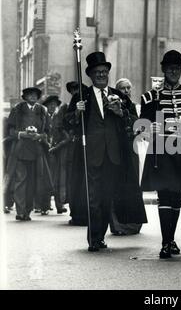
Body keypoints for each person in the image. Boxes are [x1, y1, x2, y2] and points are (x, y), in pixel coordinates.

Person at [64, 52, 147, 251]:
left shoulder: (118, 96)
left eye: (104, 71)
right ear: (90, 75)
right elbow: (67, 123)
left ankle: (99, 236)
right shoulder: (80, 96)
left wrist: (121, 112)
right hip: (91, 154)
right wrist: (77, 111)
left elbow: (136, 122)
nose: (101, 75)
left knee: (107, 197)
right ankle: (94, 239)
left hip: (114, 155)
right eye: (97, 72)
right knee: (93, 197)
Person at [140, 50, 181, 258]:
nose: (174, 71)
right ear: (164, 70)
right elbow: (143, 127)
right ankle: (166, 242)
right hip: (162, 152)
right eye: (170, 68)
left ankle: (170, 239)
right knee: (165, 194)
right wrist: (153, 129)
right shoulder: (151, 98)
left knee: (178, 196)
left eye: (177, 68)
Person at [5, 87, 53, 221]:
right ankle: (20, 211)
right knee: (20, 180)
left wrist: (40, 136)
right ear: (24, 97)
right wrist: (22, 134)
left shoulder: (42, 111)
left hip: (37, 151)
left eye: (35, 95)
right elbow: (10, 131)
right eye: (29, 94)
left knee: (34, 181)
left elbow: (48, 132)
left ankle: (27, 211)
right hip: (20, 150)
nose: (32, 96)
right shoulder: (17, 109)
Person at [108, 77, 143, 236]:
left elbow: (138, 123)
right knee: (116, 186)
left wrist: (125, 115)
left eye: (129, 87)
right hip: (117, 149)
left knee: (132, 185)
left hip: (130, 149)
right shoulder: (110, 103)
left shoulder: (131, 105)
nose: (127, 91)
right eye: (123, 88)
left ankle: (133, 224)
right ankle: (118, 225)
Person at [64, 82, 89, 226]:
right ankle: (79, 214)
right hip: (81, 144)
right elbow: (67, 121)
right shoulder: (77, 98)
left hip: (97, 143)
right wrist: (77, 113)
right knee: (78, 180)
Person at [42, 95, 70, 214]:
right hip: (44, 151)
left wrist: (56, 146)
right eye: (50, 105)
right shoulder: (43, 117)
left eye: (54, 105)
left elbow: (64, 134)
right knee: (46, 178)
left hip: (56, 152)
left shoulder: (59, 118)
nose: (52, 107)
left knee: (58, 178)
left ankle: (59, 205)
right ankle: (45, 205)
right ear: (46, 106)